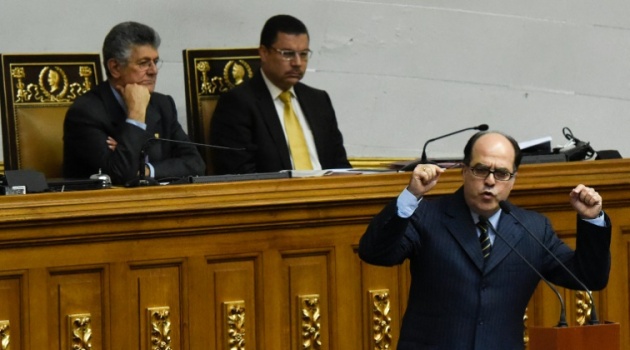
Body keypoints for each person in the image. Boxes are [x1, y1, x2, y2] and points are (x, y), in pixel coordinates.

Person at [358, 131, 611, 349]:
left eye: (501, 173)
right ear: (464, 171)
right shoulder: (427, 217)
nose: (490, 181)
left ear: (513, 179)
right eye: (481, 170)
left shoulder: (533, 228)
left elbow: (588, 277)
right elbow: (375, 252)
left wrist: (592, 220)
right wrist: (411, 195)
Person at [63, 21, 205, 185]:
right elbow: (120, 175)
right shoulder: (86, 112)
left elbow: (196, 164)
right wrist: (136, 116)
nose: (153, 71)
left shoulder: (162, 104)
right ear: (115, 67)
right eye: (144, 63)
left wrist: (145, 169)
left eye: (155, 62)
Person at [210, 14, 351, 175]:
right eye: (287, 53)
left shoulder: (319, 100)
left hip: (329, 195)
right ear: (264, 53)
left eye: (303, 54)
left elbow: (340, 165)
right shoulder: (237, 103)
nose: (297, 63)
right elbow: (241, 176)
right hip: (276, 197)